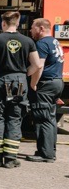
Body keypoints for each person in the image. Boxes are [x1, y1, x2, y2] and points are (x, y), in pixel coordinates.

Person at [0, 11, 39, 168]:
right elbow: (37, 64)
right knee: (14, 117)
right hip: (19, 82)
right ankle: (11, 158)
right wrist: (24, 74)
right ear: (18, 23)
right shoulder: (28, 41)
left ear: (3, 23)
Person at [26, 18, 64, 163]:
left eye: (32, 27)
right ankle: (49, 150)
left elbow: (38, 66)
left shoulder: (42, 43)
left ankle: (45, 154)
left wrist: (33, 83)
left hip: (45, 84)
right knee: (50, 118)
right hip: (57, 82)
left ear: (41, 28)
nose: (30, 30)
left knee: (43, 118)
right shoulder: (54, 41)